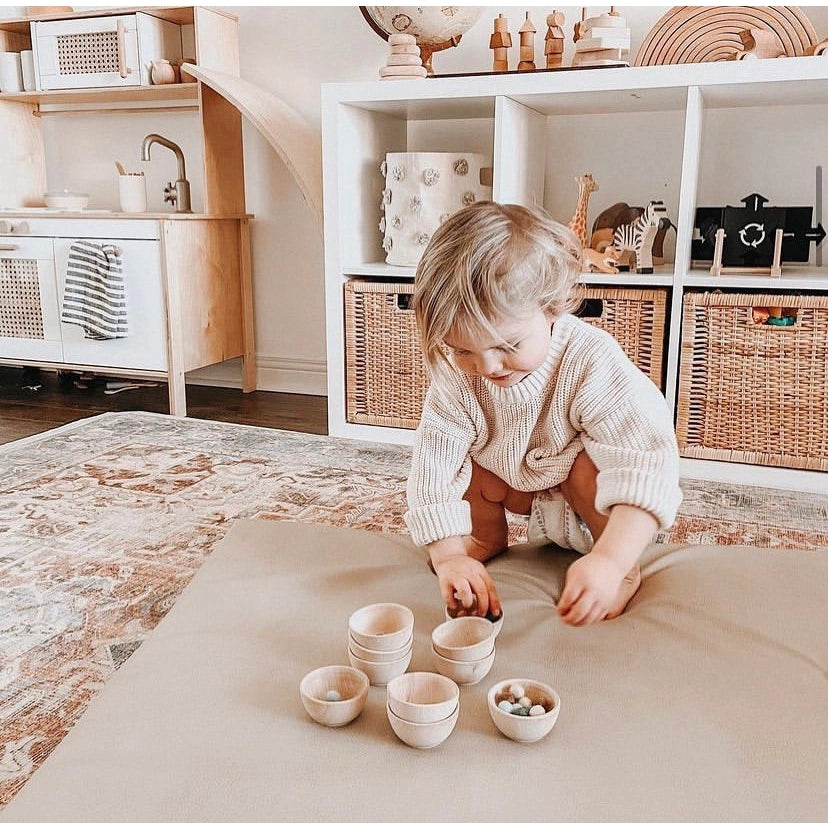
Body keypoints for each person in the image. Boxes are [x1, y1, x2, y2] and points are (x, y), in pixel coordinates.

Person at [404, 201, 682, 627]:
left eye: (508, 345)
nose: (488, 367)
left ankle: (621, 567)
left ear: (552, 307)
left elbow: (645, 458)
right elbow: (433, 465)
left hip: (578, 489)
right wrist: (447, 557)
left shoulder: (589, 357)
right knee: (467, 468)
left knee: (587, 470)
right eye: (463, 350)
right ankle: (486, 536)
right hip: (511, 482)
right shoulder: (456, 376)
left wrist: (609, 560)